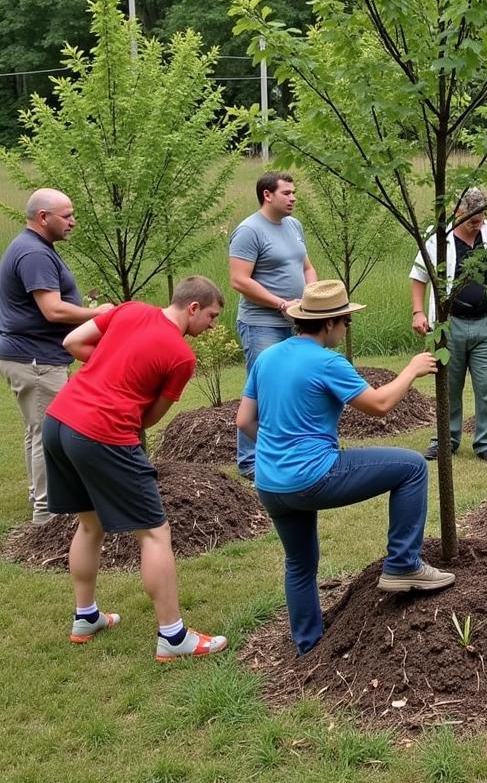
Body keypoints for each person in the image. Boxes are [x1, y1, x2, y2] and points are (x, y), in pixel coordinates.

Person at [236, 280, 455, 655]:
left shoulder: (268, 357)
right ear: (328, 325)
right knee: (413, 466)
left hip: (270, 484)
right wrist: (412, 369)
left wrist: (279, 450)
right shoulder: (327, 362)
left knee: (299, 563)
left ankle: (308, 646)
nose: (346, 328)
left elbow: (244, 421)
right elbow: (379, 404)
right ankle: (403, 564)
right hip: (313, 476)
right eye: (344, 322)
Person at [42, 276, 230, 661]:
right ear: (193, 308)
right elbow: (149, 418)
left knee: (90, 523)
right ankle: (174, 638)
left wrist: (112, 369)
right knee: (155, 533)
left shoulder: (130, 309)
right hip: (100, 432)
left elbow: (72, 342)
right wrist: (123, 387)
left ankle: (86, 616)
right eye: (211, 317)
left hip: (58, 420)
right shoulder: (181, 356)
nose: (212, 326)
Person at [0, 188, 115, 524]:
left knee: (37, 429)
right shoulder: (34, 254)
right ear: (43, 218)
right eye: (66, 216)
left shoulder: (36, 248)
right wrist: (99, 315)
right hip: (35, 359)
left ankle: (42, 498)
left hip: (35, 356)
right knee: (47, 432)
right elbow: (51, 310)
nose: (73, 222)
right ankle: (47, 513)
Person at [409, 187, 487, 465]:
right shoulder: (439, 237)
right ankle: (445, 439)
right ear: (457, 212)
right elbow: (419, 275)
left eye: (481, 217)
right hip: (450, 324)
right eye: (471, 218)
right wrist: (418, 311)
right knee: (448, 385)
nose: (477, 223)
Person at [229, 171, 318, 479]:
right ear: (267, 195)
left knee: (291, 385)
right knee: (262, 388)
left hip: (296, 321)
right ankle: (251, 461)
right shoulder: (249, 230)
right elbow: (239, 280)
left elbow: (306, 267)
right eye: (287, 193)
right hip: (261, 324)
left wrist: (312, 297)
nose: (293, 198)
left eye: (294, 192)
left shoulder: (294, 226)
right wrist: (281, 303)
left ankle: (287, 449)